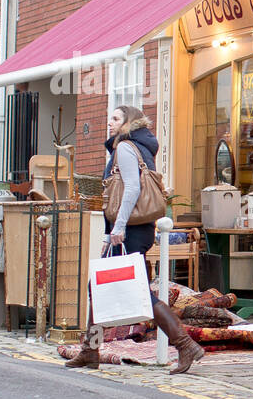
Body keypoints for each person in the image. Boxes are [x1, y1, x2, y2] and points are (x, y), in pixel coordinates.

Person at [63, 105, 205, 374]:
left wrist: (118, 228)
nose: (110, 123)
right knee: (101, 287)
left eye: (115, 119)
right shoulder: (138, 146)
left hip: (129, 230)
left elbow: (131, 189)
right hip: (135, 229)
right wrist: (110, 232)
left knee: (137, 292)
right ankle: (90, 351)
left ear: (128, 122)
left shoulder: (126, 147)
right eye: (110, 119)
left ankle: (185, 344)